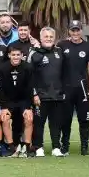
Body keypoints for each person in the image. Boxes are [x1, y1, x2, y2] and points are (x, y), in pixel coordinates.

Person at [57, 20, 89, 156]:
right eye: (73, 30)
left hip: (82, 89)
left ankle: (84, 146)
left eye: (77, 30)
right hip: (66, 88)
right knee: (65, 119)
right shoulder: (61, 45)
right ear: (69, 31)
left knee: (84, 119)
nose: (75, 33)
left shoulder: (88, 46)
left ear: (81, 31)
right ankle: (65, 146)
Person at [28, 27, 67, 157]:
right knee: (39, 123)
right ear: (41, 38)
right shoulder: (34, 53)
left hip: (57, 95)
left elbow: (64, 73)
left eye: (51, 37)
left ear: (54, 38)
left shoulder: (59, 52)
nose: (48, 39)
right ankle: (38, 147)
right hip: (40, 96)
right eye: (46, 37)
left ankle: (56, 147)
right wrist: (34, 94)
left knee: (56, 123)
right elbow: (30, 76)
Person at [0, 45, 34, 158]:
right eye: (13, 55)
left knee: (29, 118)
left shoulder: (28, 67)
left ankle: (27, 147)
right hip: (8, 101)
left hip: (23, 101)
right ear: (9, 55)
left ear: (22, 56)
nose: (16, 57)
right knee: (5, 118)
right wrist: (3, 107)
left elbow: (30, 88)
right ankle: (12, 147)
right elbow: (1, 90)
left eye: (18, 55)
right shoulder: (2, 68)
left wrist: (28, 107)